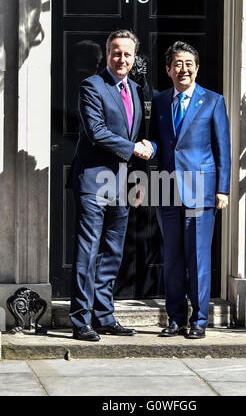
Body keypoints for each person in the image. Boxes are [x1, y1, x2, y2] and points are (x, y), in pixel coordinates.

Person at [67, 29, 154, 341]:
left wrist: (142, 168)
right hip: (92, 180)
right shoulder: (92, 86)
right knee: (87, 251)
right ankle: (80, 320)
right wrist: (134, 149)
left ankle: (104, 315)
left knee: (112, 252)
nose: (122, 59)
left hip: (122, 184)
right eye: (116, 53)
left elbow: (141, 136)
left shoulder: (134, 88)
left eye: (127, 54)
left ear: (134, 58)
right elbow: (96, 132)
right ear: (107, 55)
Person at [150, 41, 231, 339]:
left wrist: (222, 189)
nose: (183, 69)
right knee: (171, 258)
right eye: (177, 64)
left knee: (197, 256)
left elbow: (223, 147)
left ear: (196, 68)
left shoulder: (212, 101)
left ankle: (198, 320)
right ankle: (174, 319)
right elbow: (157, 142)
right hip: (166, 188)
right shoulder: (159, 101)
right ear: (168, 69)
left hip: (201, 188)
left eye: (188, 64)